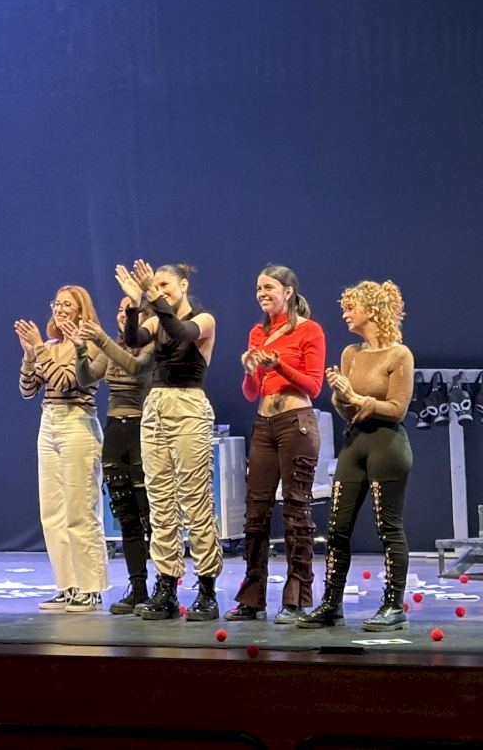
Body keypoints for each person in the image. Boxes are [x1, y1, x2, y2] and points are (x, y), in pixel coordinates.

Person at [298, 280, 414, 632]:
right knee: (337, 528)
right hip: (355, 442)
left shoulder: (399, 355)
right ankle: (331, 604)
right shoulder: (351, 353)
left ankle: (393, 606)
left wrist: (357, 398)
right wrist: (341, 395)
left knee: (388, 527)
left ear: (372, 311)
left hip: (387, 445)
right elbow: (346, 409)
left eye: (351, 308)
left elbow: (397, 409)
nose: (345, 314)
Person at [116, 260, 222, 621]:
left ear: (184, 284)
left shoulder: (203, 319)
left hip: (188, 404)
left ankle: (206, 588)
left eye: (166, 285)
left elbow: (180, 331)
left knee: (195, 497)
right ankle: (166, 585)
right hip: (156, 405)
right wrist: (134, 304)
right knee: (160, 499)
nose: (160, 291)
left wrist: (150, 295)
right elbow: (133, 340)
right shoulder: (155, 319)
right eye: (156, 285)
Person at [225, 266, 326, 625]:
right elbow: (252, 392)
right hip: (264, 424)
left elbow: (313, 386)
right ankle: (252, 599)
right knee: (256, 512)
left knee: (296, 510)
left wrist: (278, 364)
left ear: (288, 291)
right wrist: (251, 371)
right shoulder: (258, 333)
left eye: (268, 287)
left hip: (296, 423)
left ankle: (296, 599)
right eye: (258, 288)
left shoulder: (309, 330)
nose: (261, 293)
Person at [16, 285, 107, 613]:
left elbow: (68, 382)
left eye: (68, 304)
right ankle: (67, 585)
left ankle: (91, 587)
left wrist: (40, 349)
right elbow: (28, 389)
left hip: (77, 423)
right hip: (49, 422)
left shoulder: (92, 344)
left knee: (80, 509)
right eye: (57, 303)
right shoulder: (50, 346)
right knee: (53, 511)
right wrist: (30, 354)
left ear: (82, 310)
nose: (60, 308)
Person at [71, 297, 155, 615]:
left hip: (141, 430)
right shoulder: (112, 347)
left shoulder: (152, 347)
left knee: (150, 516)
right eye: (120, 309)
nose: (123, 314)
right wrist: (81, 349)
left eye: (131, 309)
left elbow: (135, 367)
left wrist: (101, 340)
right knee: (126, 516)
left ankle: (165, 588)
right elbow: (86, 377)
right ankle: (138, 588)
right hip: (115, 432)